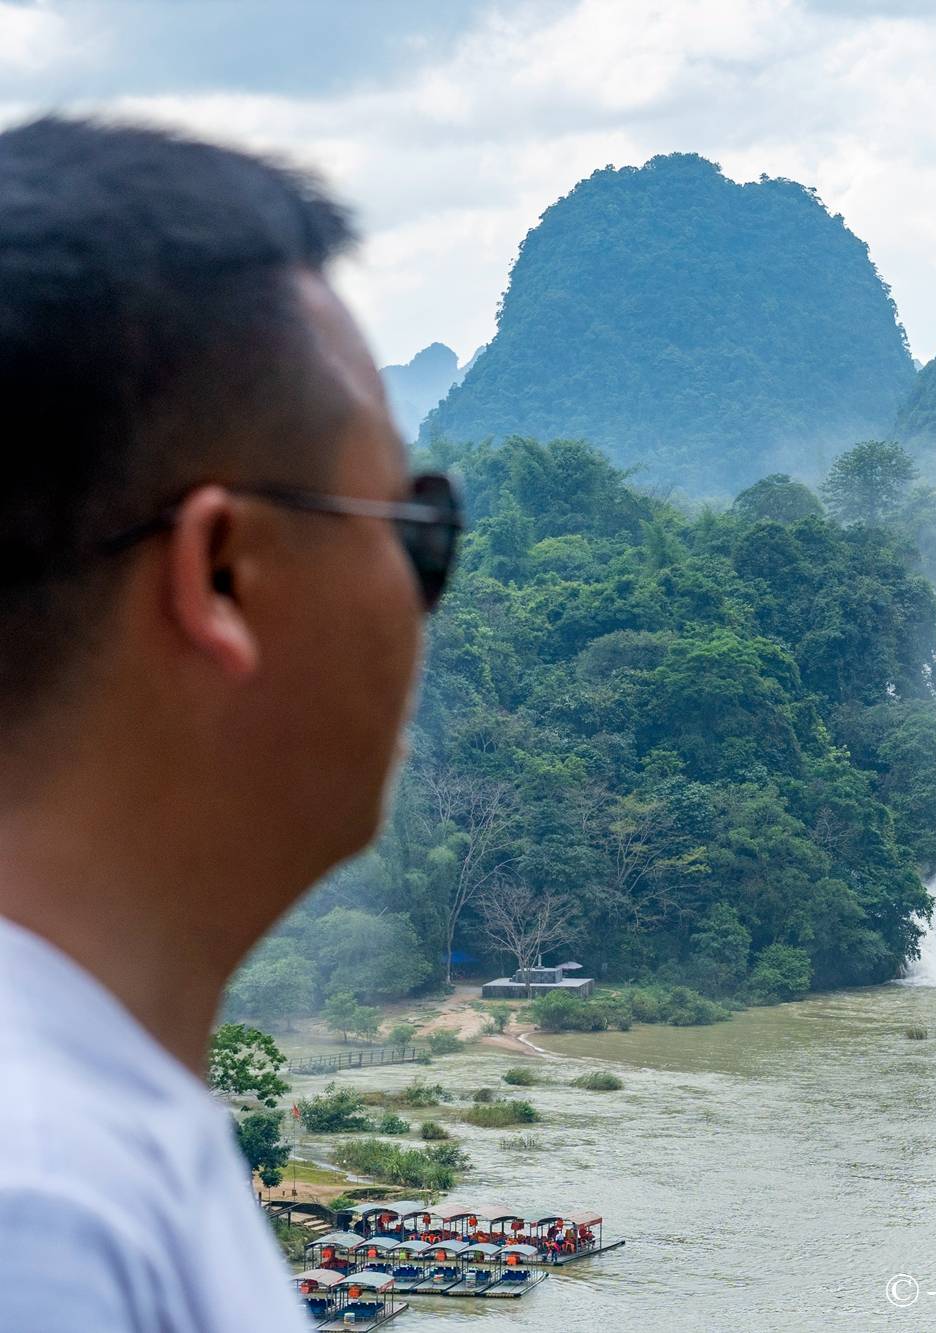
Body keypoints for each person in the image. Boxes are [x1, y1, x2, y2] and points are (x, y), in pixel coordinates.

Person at [0, 117, 460, 1330]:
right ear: (224, 576)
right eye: (416, 528)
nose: (427, 602)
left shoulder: (97, 1128)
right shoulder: (43, 1213)